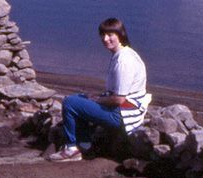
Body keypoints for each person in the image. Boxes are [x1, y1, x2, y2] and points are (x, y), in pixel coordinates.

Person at [47, 17, 151, 162]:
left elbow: (119, 99)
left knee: (70, 103)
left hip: (123, 114)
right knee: (80, 98)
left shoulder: (124, 61)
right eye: (103, 35)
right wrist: (94, 97)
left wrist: (98, 99)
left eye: (110, 35)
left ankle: (71, 149)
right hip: (125, 108)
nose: (105, 39)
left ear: (120, 34)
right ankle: (85, 145)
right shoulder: (124, 53)